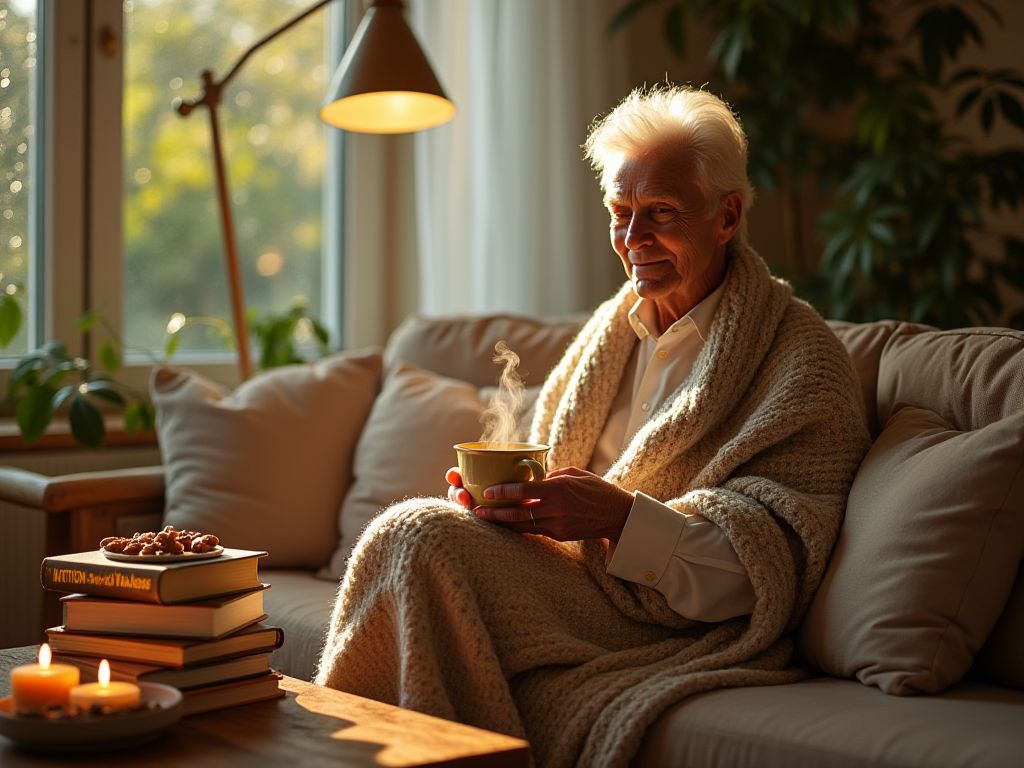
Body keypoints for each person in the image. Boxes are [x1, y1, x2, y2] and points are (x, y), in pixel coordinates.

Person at [316, 85, 870, 768]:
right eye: (620, 214)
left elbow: (769, 567)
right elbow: (553, 476)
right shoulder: (609, 333)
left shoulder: (802, 362)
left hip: (666, 622)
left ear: (727, 215)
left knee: (416, 534)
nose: (633, 241)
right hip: (566, 584)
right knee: (419, 536)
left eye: (660, 213)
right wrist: (509, 513)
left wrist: (618, 518)